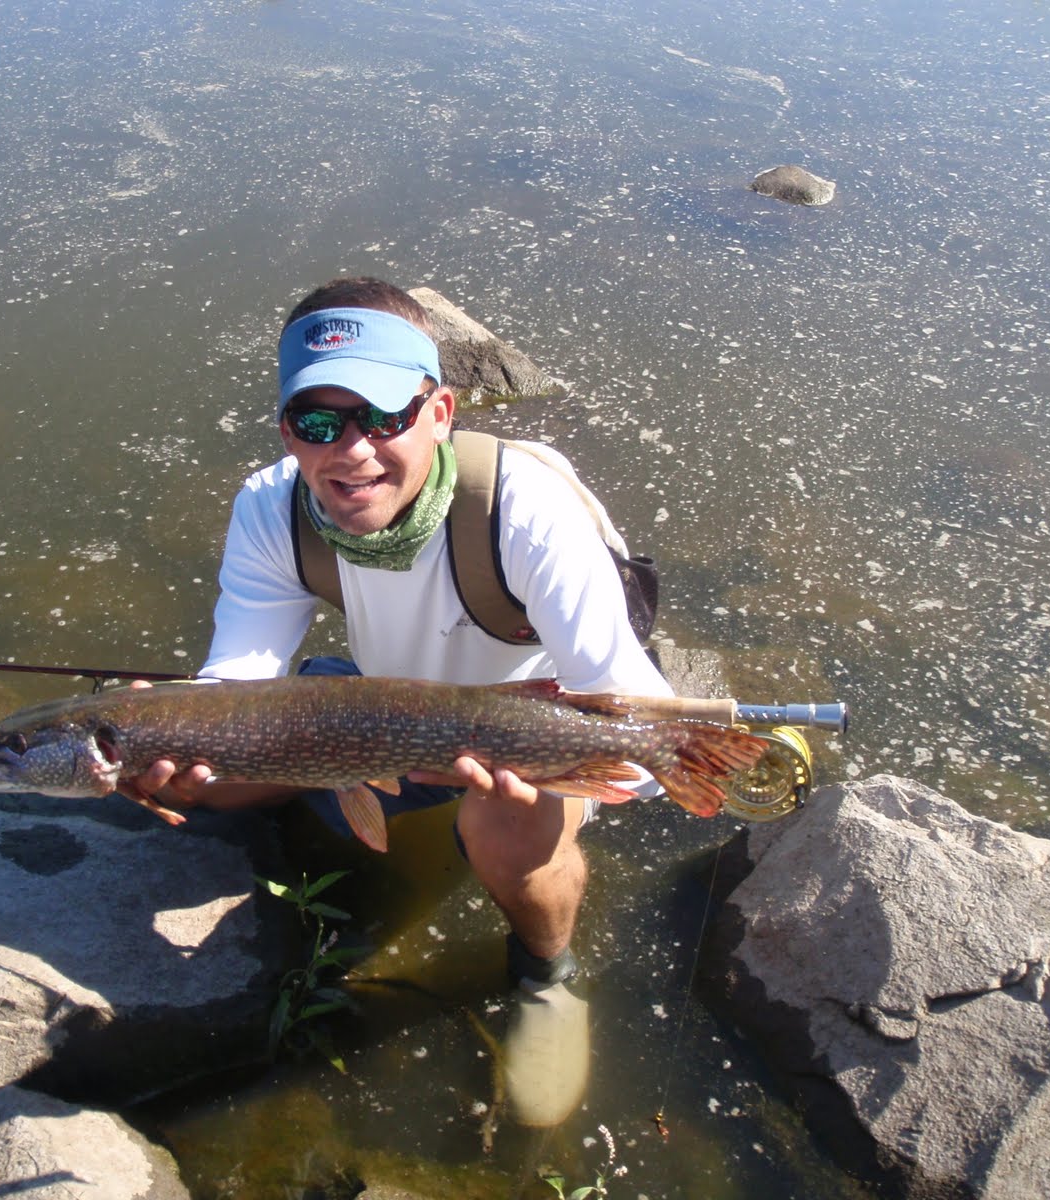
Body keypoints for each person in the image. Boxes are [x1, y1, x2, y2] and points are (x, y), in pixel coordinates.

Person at [123, 277, 673, 1127]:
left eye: (383, 417)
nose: (351, 452)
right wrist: (169, 731)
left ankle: (546, 976)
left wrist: (579, 769)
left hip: (529, 722)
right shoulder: (272, 507)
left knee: (496, 823)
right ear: (286, 428)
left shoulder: (523, 511)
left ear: (441, 411)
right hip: (379, 720)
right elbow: (238, 686)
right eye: (318, 422)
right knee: (199, 779)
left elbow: (637, 731)